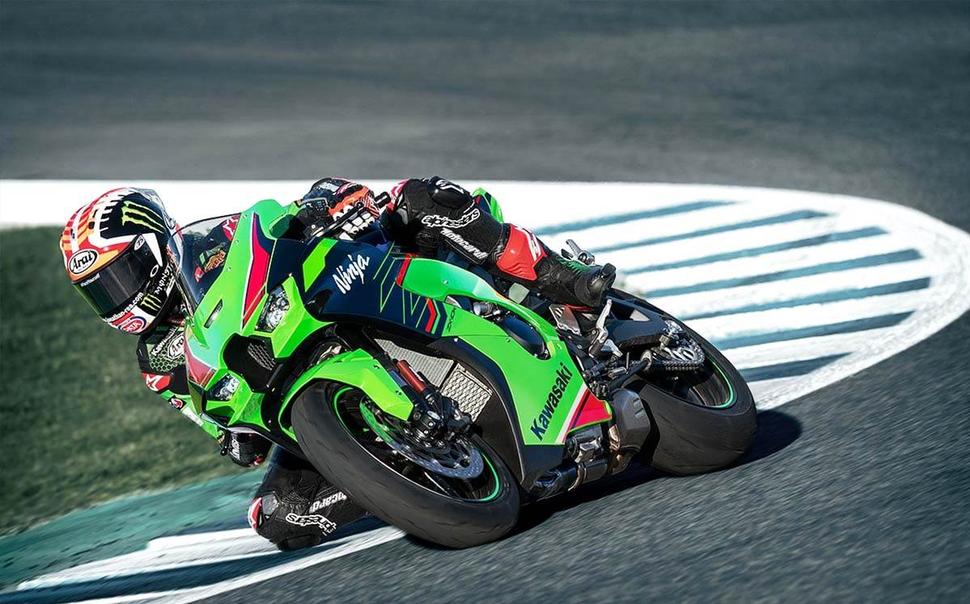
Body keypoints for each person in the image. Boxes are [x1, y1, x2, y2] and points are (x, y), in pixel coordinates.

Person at [59, 178, 616, 550]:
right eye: (99, 290)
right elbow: (218, 426)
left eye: (121, 274)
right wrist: (233, 436)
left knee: (420, 198)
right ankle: (403, 471)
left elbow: (285, 219)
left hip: (347, 293)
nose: (117, 298)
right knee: (275, 515)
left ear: (154, 246)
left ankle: (560, 278)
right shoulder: (157, 360)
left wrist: (328, 204)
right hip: (291, 389)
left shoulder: (217, 242)